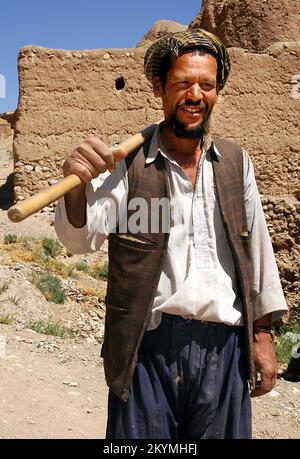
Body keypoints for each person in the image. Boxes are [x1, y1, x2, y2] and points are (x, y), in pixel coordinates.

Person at [55, 29, 288, 439]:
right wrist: (76, 186)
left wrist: (263, 335)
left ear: (217, 92)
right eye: (183, 83)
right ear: (160, 87)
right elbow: (81, 239)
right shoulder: (132, 164)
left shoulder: (235, 164)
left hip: (225, 350)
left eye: (207, 85)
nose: (195, 95)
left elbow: (258, 253)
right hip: (149, 350)